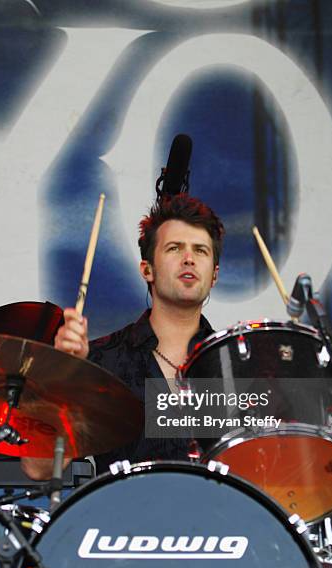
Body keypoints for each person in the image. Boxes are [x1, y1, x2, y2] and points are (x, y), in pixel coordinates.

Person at [21, 194, 224, 480]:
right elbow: (38, 467)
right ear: (147, 270)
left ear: (214, 275)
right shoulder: (103, 361)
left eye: (200, 250)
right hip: (121, 521)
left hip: (221, 523)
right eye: (174, 248)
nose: (189, 258)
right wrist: (63, 372)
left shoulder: (233, 365)